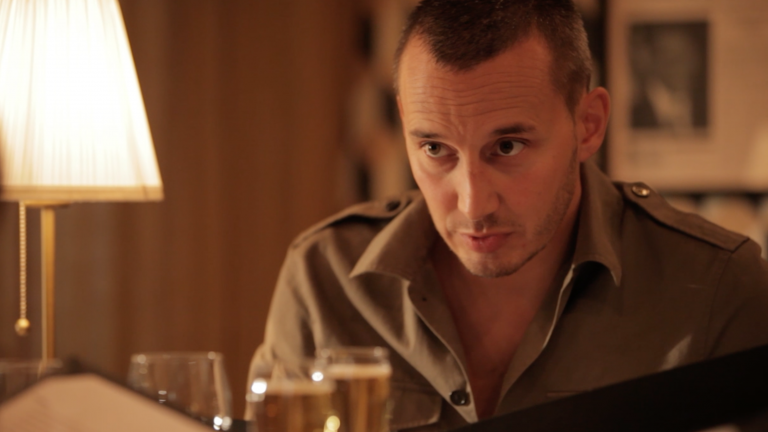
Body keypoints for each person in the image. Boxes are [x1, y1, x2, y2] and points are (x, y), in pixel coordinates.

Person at [250, 0, 768, 430]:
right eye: (435, 149)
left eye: (508, 146)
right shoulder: (324, 277)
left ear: (588, 124)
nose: (472, 204)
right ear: (405, 123)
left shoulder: (719, 288)